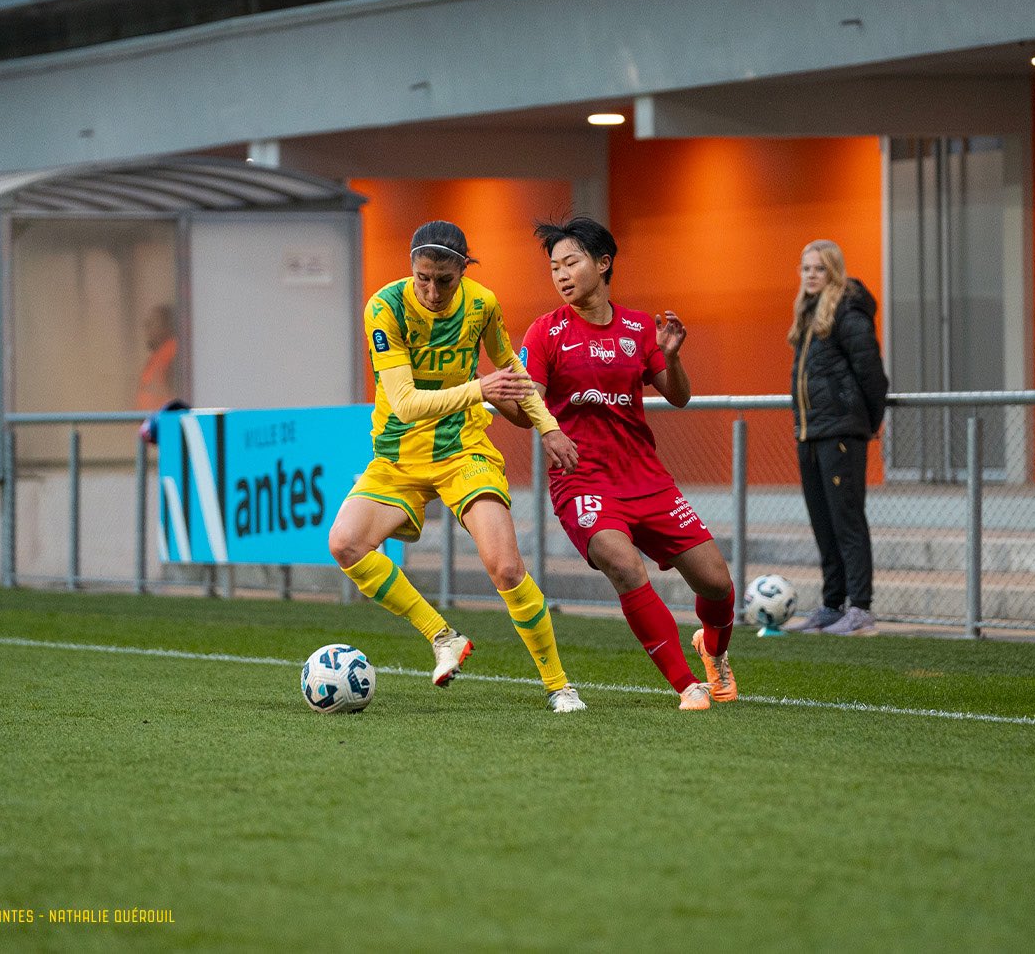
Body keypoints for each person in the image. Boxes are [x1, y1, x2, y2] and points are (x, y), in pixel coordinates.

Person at [327, 220, 587, 713]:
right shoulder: (385, 308)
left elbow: (511, 369)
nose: (432, 290)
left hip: (462, 451)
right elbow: (403, 402)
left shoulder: (482, 304)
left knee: (507, 568)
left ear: (462, 271)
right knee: (344, 543)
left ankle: (560, 686)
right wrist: (478, 389)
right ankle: (442, 636)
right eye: (423, 277)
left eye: (444, 280)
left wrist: (548, 427)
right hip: (398, 457)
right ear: (412, 269)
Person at [515, 217, 737, 711]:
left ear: (603, 262)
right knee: (623, 563)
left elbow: (678, 397)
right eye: (554, 267)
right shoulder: (546, 332)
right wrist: (541, 423)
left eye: (571, 262)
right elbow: (527, 400)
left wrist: (673, 357)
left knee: (718, 583)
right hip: (583, 481)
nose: (562, 275)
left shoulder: (639, 327)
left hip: (647, 479)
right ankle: (686, 685)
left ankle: (713, 652)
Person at [786, 239, 889, 636]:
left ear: (833, 271)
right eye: (805, 268)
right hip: (811, 433)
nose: (811, 275)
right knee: (822, 522)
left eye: (819, 268)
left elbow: (872, 373)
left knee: (846, 521)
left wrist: (866, 422)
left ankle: (859, 608)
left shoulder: (848, 310)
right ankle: (832, 605)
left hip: (841, 433)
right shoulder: (808, 312)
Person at [136, 304, 179, 412]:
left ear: (165, 327)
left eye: (152, 324)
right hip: (153, 422)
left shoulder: (172, 352)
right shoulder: (159, 355)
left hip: (164, 422)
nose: (147, 330)